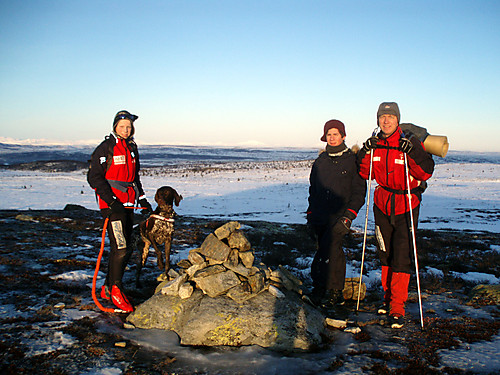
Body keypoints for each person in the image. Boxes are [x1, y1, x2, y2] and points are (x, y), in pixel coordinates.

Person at [358, 102, 434, 329]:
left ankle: (397, 307)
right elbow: (364, 172)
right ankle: (387, 297)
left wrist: (412, 152)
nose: (386, 121)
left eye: (391, 117)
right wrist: (365, 151)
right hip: (382, 204)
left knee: (401, 256)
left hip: (406, 204)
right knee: (384, 253)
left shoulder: (409, 143)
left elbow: (425, 172)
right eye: (383, 117)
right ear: (378, 119)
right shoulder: (376, 144)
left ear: (397, 120)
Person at [87, 110, 153, 312]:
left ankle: (109, 287)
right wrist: (111, 200)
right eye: (122, 126)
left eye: (129, 127)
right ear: (115, 126)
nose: (126, 130)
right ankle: (115, 290)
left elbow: (134, 178)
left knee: (124, 248)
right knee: (121, 247)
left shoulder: (132, 148)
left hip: (128, 204)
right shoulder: (106, 147)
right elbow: (94, 178)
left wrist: (142, 198)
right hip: (112, 206)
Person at [307, 120, 367, 311]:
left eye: (336, 134)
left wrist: (349, 216)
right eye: (329, 135)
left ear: (343, 136)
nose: (332, 138)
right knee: (320, 251)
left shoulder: (353, 161)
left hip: (340, 215)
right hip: (319, 215)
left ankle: (335, 292)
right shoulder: (320, 162)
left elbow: (359, 192)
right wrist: (310, 215)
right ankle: (318, 287)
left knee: (334, 250)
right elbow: (313, 190)